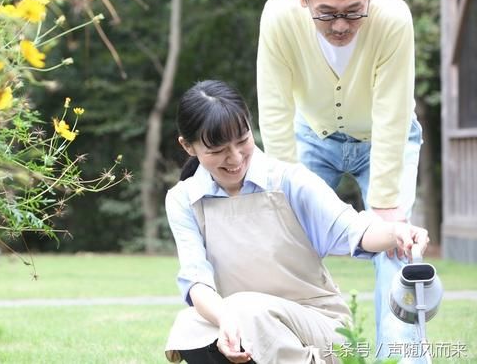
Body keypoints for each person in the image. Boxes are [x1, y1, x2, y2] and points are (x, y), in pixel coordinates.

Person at [164, 80, 428, 364]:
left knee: (243, 309)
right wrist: (225, 317)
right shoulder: (183, 199)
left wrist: (398, 232)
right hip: (242, 320)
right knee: (188, 326)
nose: (236, 157)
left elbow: (355, 230)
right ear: (187, 146)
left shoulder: (288, 180)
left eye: (242, 140)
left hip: (319, 325)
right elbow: (197, 282)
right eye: (218, 150)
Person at [255, 0, 423, 359]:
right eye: (326, 13)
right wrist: (283, 191)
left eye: (353, 11)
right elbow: (274, 108)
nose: (341, 25)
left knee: (396, 245)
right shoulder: (277, 17)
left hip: (386, 138)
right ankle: (294, 351)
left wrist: (385, 209)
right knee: (287, 238)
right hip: (312, 136)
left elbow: (392, 113)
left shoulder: (394, 18)